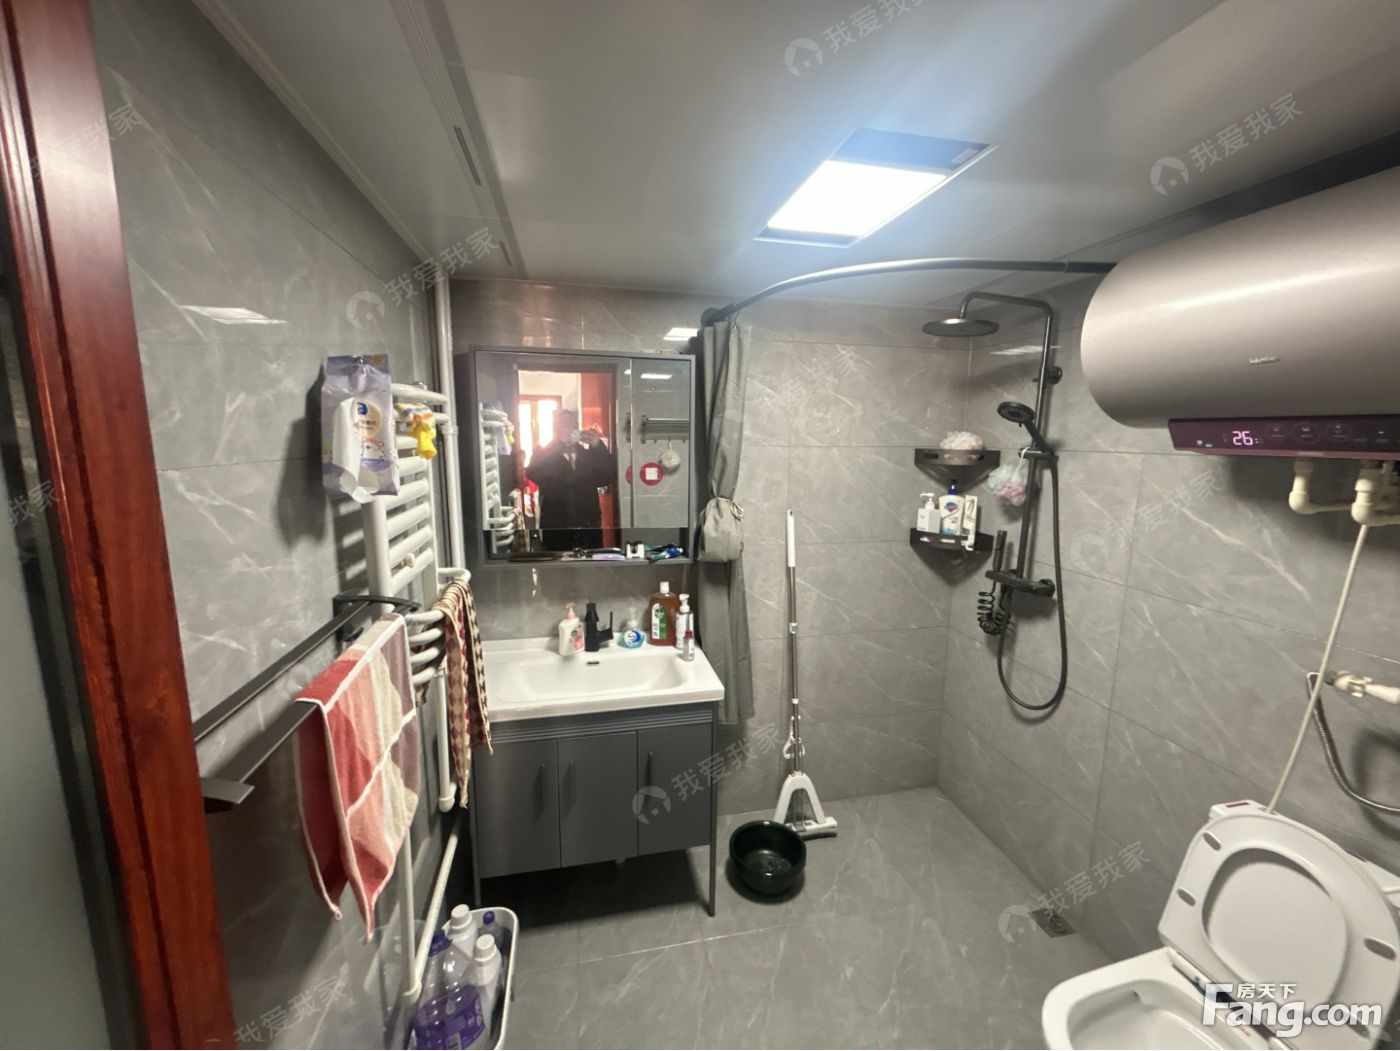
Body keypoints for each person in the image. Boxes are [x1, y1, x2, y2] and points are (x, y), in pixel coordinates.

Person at [525, 409, 616, 550]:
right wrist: (558, 444)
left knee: (590, 563)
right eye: (563, 424)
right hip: (557, 529)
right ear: (555, 429)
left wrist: (597, 446)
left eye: (571, 424)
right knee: (558, 564)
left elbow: (608, 476)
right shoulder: (544, 453)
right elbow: (534, 473)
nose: (567, 428)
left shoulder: (588, 455)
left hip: (588, 528)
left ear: (577, 427)